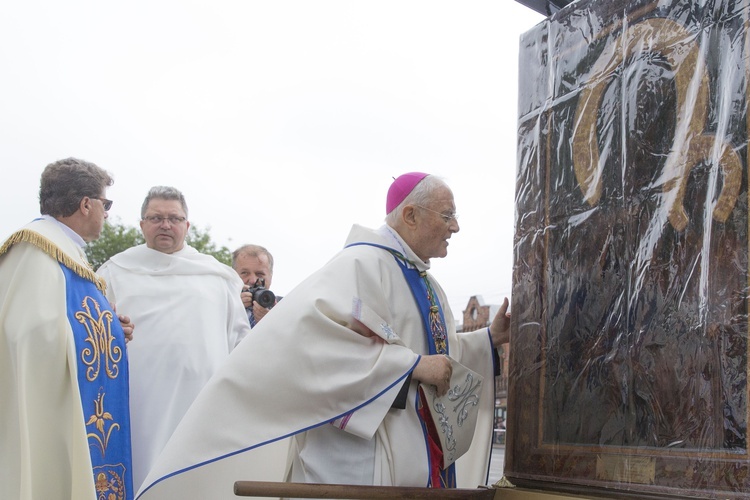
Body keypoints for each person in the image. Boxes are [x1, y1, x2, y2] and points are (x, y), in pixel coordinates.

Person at [136, 173, 510, 499]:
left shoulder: (427, 284)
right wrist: (410, 366)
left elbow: (441, 354)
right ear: (410, 215)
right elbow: (310, 349)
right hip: (358, 462)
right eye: (448, 215)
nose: (455, 226)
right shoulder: (359, 265)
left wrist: (488, 341)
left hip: (418, 459)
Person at [97, 186, 251, 492]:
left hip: (201, 405)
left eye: (174, 218)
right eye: (156, 217)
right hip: (138, 404)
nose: (165, 225)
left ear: (187, 226)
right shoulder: (113, 274)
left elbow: (241, 345)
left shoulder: (217, 277)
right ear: (142, 224)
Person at [0, 158, 135, 500]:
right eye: (105, 204)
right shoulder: (35, 250)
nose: (107, 213)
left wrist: (109, 329)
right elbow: (31, 335)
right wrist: (97, 332)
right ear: (86, 204)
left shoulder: (66, 254)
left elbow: (65, 319)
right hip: (48, 412)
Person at [232, 244, 280, 326]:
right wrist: (233, 309)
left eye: (259, 274)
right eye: (245, 273)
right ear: (233, 275)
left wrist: (271, 324)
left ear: (270, 278)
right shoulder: (219, 306)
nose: (253, 280)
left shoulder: (287, 308)